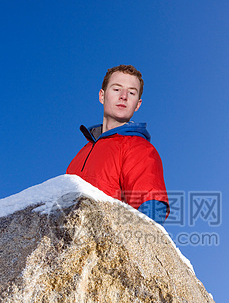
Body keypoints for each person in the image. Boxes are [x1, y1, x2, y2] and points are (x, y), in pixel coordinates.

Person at [66, 64, 169, 224]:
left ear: (137, 104)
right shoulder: (81, 154)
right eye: (116, 89)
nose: (124, 96)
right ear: (102, 96)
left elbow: (151, 210)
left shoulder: (140, 148)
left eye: (131, 92)